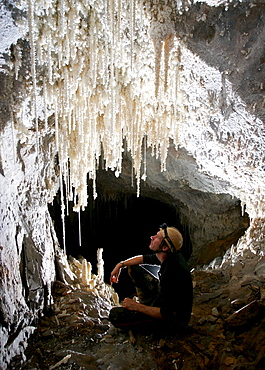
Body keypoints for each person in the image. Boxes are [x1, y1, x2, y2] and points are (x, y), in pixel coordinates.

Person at [109, 223, 193, 333]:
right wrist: (120, 265)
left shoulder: (173, 272)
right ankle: (148, 304)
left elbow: (167, 314)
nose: (152, 237)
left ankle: (147, 310)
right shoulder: (170, 255)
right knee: (133, 267)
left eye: (157, 237)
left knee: (115, 316)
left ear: (165, 247)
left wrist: (136, 306)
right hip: (165, 302)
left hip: (173, 321)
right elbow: (144, 259)